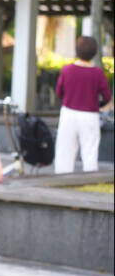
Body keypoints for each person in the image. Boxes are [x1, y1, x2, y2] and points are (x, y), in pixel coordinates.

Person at [54, 36, 113, 174]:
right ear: (95, 52)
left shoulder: (67, 70)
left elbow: (59, 92)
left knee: (64, 151)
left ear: (76, 50)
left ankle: (61, 183)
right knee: (90, 152)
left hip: (68, 113)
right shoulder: (98, 73)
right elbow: (107, 97)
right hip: (90, 115)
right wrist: (97, 104)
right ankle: (90, 183)